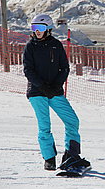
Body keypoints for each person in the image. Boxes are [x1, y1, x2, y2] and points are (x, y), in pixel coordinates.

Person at [23, 14, 90, 171]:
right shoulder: (30, 47)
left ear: (48, 29)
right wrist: (42, 86)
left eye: (40, 28)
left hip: (55, 91)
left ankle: (71, 155)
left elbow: (64, 68)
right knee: (45, 125)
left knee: (72, 120)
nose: (37, 31)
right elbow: (28, 70)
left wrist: (56, 85)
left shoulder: (56, 45)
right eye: (34, 28)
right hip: (37, 92)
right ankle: (49, 158)